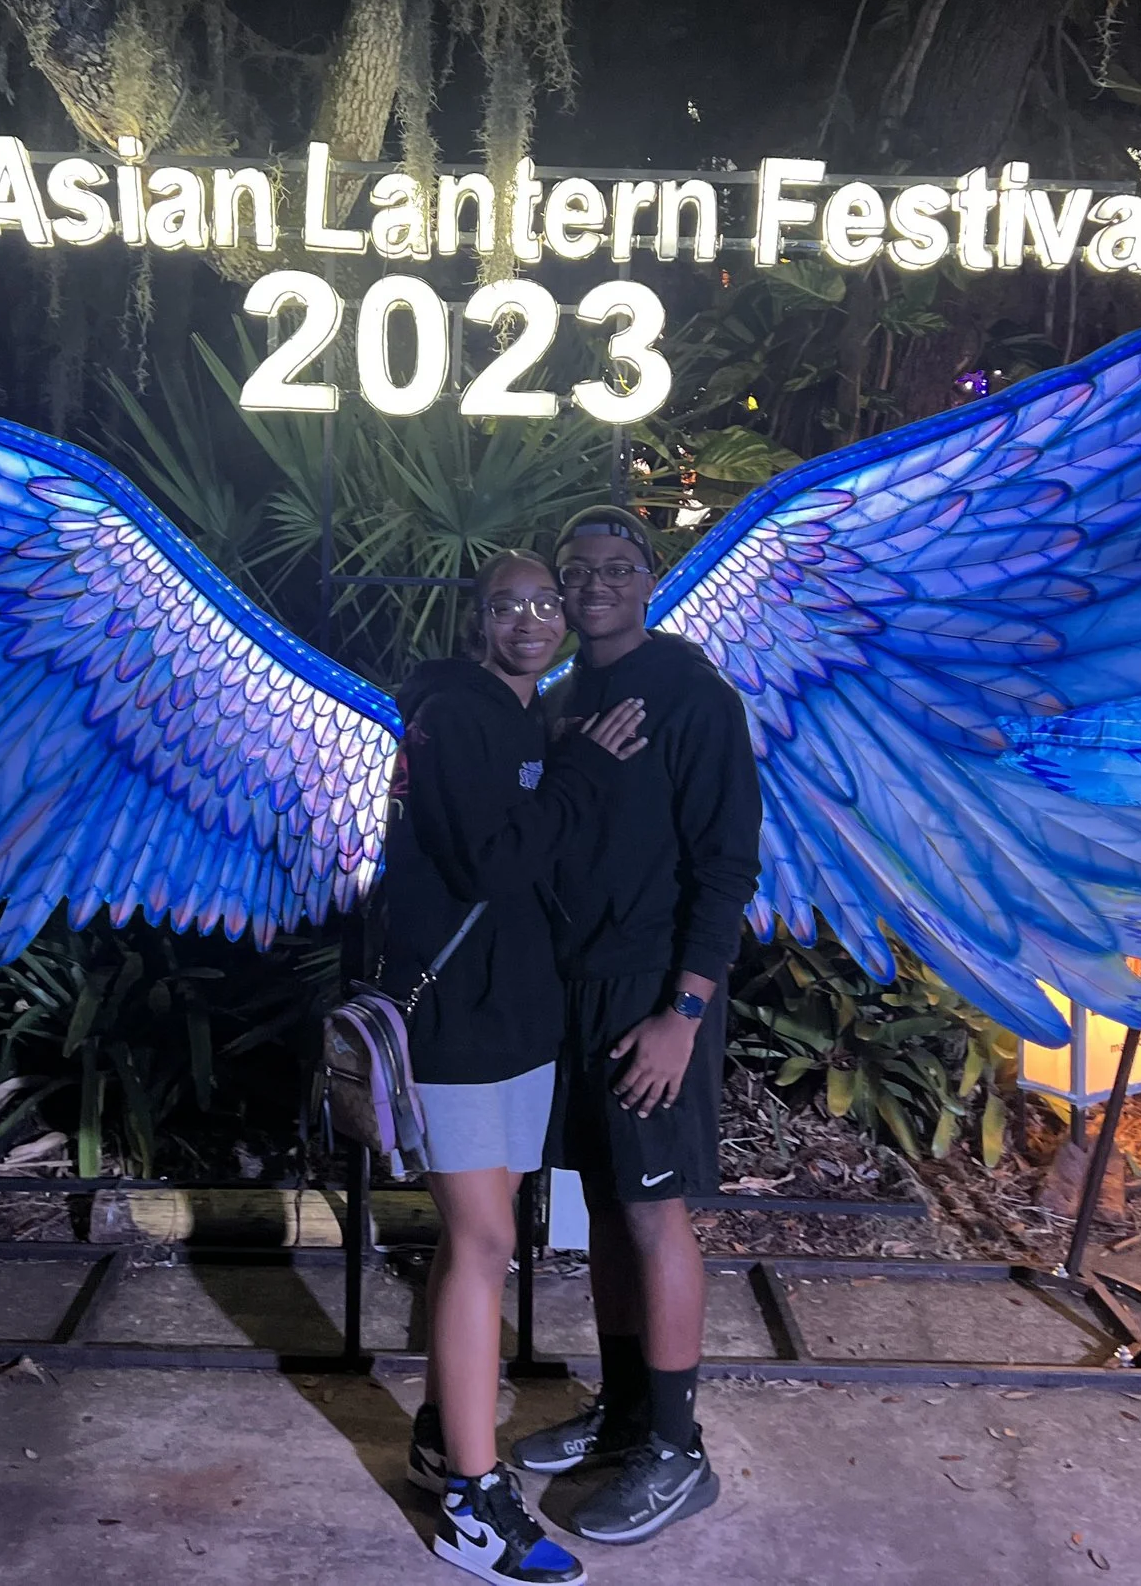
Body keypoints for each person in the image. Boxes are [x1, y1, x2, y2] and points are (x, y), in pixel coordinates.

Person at [382, 548, 648, 1584]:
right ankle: (472, 1510)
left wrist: (563, 752)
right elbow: (491, 860)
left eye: (545, 601)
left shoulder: (522, 717)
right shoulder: (452, 713)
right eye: (508, 605)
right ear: (474, 620)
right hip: (455, 1024)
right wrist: (580, 770)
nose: (533, 618)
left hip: (518, 1020)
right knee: (482, 1240)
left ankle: (444, 1436)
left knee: (486, 1242)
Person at [513, 505, 763, 1546]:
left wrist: (683, 1012)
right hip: (578, 993)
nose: (595, 584)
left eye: (616, 567)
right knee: (609, 1209)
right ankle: (624, 1415)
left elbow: (727, 867)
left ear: (649, 581)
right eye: (578, 571)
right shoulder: (568, 697)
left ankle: (676, 1450)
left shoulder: (692, 695)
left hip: (653, 996)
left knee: (655, 1212)